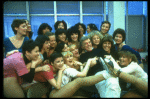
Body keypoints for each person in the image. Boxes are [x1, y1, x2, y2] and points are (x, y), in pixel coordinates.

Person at [48, 52, 119, 98]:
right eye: (58, 62)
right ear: (52, 63)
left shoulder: (67, 68)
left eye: (61, 61)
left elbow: (82, 74)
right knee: (79, 81)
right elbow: (58, 86)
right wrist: (60, 71)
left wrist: (81, 65)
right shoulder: (60, 69)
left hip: (66, 92)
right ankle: (108, 74)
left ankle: (109, 73)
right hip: (55, 94)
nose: (61, 63)